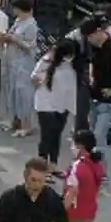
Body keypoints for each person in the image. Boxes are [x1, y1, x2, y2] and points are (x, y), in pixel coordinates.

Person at [32, 39, 78, 175]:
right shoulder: (46, 62)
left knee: (56, 136)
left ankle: (52, 166)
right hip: (45, 105)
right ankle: (41, 169)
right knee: (47, 137)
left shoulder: (70, 66)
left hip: (62, 106)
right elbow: (33, 77)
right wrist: (42, 80)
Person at [3, 0, 40, 138]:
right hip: (13, 62)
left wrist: (15, 40)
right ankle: (15, 121)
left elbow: (30, 47)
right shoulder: (18, 21)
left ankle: (27, 125)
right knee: (12, 92)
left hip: (24, 63)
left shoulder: (31, 24)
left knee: (24, 94)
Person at [64, 129, 106, 222]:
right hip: (89, 213)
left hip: (74, 214)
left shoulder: (77, 166)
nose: (71, 147)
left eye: (73, 144)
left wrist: (61, 211)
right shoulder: (97, 164)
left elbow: (72, 192)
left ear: (80, 146)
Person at [81, 17, 111, 158]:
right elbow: (91, 63)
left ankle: (102, 175)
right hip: (95, 98)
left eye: (90, 36)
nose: (89, 40)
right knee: (94, 139)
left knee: (99, 140)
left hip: (109, 101)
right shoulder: (96, 50)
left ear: (98, 32)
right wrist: (91, 76)